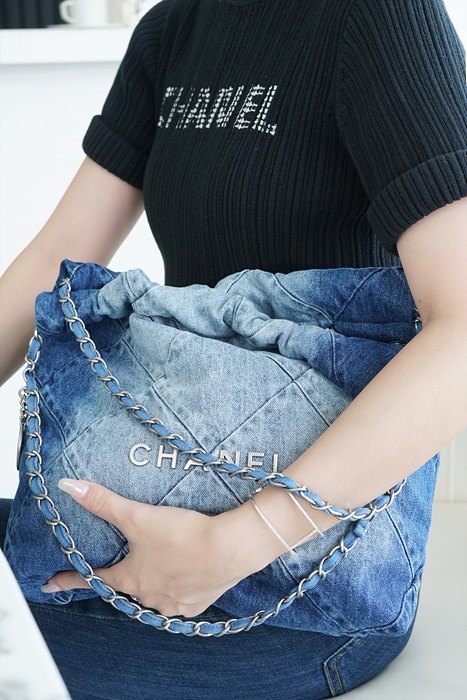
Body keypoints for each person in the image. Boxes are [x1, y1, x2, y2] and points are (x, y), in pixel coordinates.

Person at [1, 0, 467, 697]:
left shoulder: (378, 17)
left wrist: (234, 546)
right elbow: (52, 260)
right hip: (167, 487)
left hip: (306, 585)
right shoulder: (175, 27)